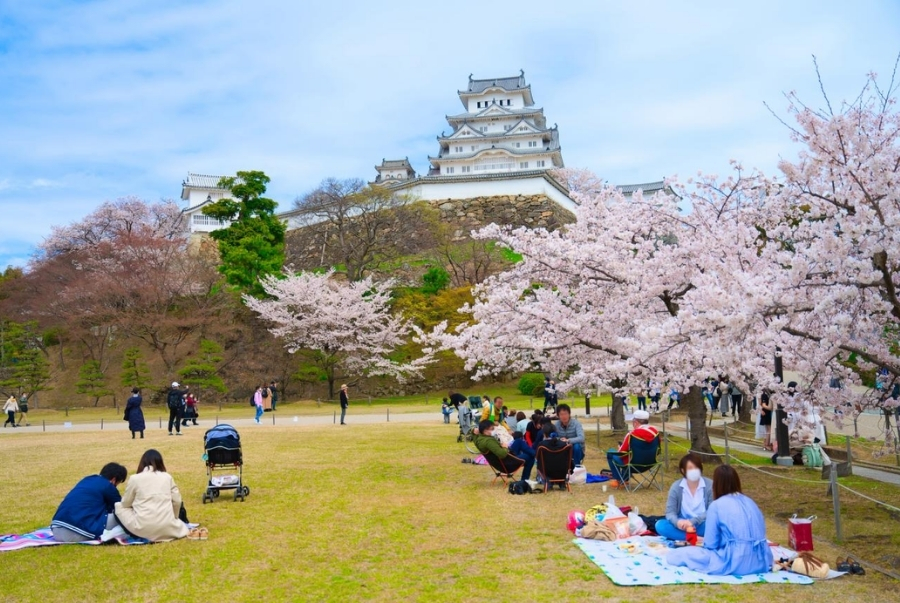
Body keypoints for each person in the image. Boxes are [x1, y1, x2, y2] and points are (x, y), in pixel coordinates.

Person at [666, 465, 773, 576]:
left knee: (678, 554)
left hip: (736, 560)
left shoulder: (717, 505)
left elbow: (711, 545)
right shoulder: (750, 501)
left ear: (716, 484)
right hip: (761, 560)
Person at [113, 449, 190, 543]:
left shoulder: (135, 479)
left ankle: (133, 533)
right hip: (168, 528)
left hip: (143, 529)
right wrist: (174, 518)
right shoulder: (167, 477)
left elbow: (125, 503)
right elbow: (177, 501)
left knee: (118, 506)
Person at [51, 463, 128, 542]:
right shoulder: (108, 486)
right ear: (114, 480)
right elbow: (121, 509)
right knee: (127, 517)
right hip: (76, 533)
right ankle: (111, 536)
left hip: (56, 530)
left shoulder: (87, 479)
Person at [655, 453, 713, 541]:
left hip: (702, 524)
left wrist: (693, 521)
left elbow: (712, 510)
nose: (694, 471)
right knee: (660, 525)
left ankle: (685, 537)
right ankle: (695, 538)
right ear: (683, 470)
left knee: (717, 525)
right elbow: (670, 513)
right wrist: (678, 522)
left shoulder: (710, 485)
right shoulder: (676, 487)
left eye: (696, 467)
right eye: (690, 468)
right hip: (682, 526)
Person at [607, 410, 659, 483]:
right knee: (630, 456)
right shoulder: (655, 432)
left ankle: (620, 480)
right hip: (650, 464)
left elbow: (621, 453)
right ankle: (624, 479)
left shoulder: (632, 434)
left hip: (633, 465)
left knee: (611, 452)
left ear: (636, 422)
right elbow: (658, 450)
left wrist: (620, 448)